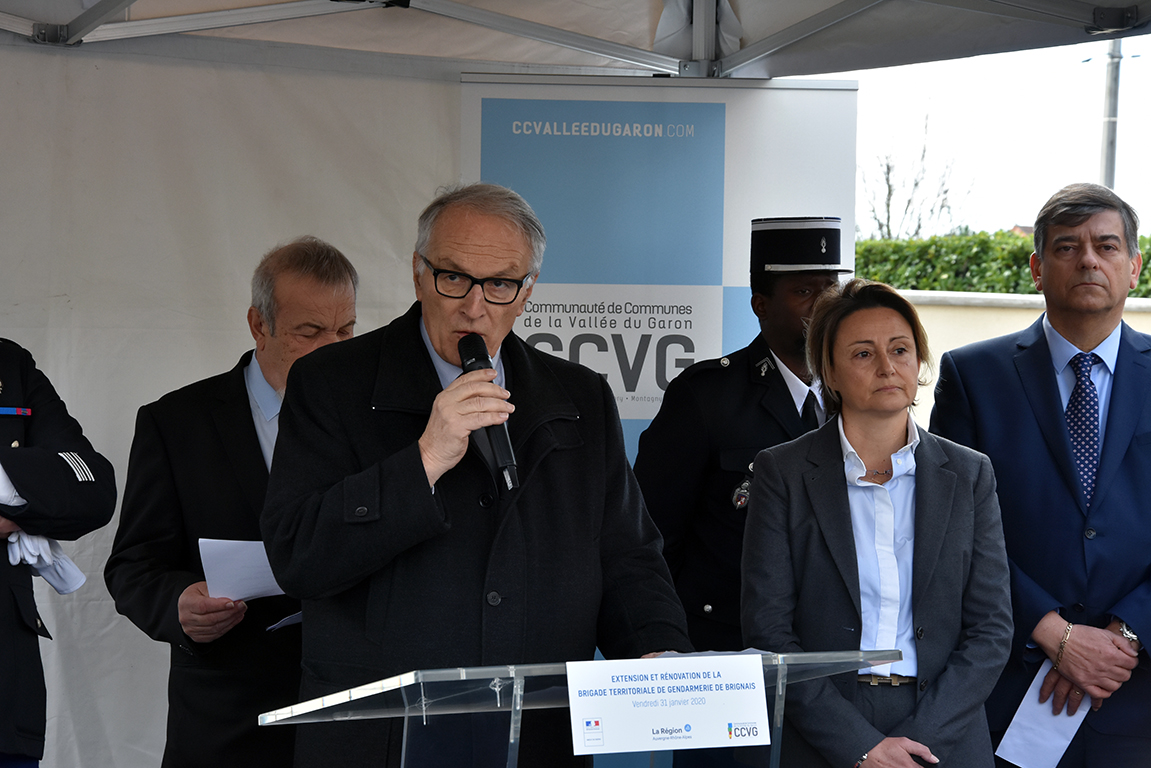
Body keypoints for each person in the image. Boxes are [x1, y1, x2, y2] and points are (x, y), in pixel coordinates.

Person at [260, 183, 691, 768]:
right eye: (454, 278)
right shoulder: (330, 382)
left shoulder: (580, 396)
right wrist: (425, 459)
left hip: (535, 736)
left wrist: (658, 651)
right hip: (386, 739)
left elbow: (628, 557)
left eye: (500, 284)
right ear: (418, 274)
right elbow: (298, 556)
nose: (474, 306)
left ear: (527, 292)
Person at [104, 236, 358, 768]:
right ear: (258, 325)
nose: (332, 350)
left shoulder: (380, 422)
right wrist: (178, 605)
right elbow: (133, 565)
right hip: (227, 721)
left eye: (345, 331)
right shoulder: (177, 423)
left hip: (353, 713)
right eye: (309, 332)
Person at [742, 279, 1012, 768]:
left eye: (900, 350)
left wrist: (919, 740)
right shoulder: (782, 472)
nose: (887, 367)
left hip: (944, 732)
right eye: (863, 354)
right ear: (830, 371)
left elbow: (991, 630)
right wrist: (859, 745)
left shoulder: (971, 473)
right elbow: (769, 631)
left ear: (918, 361)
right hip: (825, 732)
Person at [930, 183, 1150, 766]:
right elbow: (952, 530)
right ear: (1036, 268)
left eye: (1107, 246)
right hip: (1009, 684)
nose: (1088, 260)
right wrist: (1055, 633)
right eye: (1067, 247)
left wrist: (1124, 638)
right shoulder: (973, 376)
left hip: (1135, 691)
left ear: (1134, 268)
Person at [634, 216, 845, 655]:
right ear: (760, 305)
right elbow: (651, 537)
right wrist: (669, 644)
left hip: (831, 645)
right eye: (804, 292)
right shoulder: (707, 396)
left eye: (830, 289)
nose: (823, 305)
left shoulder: (856, 394)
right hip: (727, 645)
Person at [0, 339, 116, 767]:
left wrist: (6, 490)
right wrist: (22, 494)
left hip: (5, 696)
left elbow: (92, 485)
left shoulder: (9, 364)